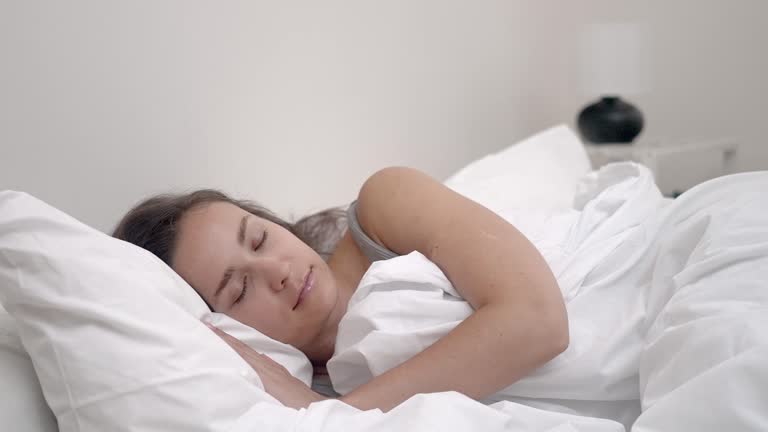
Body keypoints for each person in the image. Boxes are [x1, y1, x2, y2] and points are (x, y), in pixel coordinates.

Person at [113, 166, 569, 412]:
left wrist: (337, 415)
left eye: (259, 238)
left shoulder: (384, 205)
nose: (278, 271)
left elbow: (538, 321)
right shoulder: (286, 392)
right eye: (240, 289)